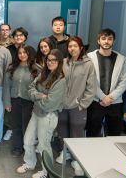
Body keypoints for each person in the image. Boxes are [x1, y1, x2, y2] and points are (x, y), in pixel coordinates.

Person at [16, 49, 66, 178]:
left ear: (59, 62)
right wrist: (40, 96)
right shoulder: (43, 73)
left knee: (44, 145)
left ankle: (46, 171)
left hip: (48, 116)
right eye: (48, 60)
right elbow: (31, 88)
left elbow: (49, 104)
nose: (50, 62)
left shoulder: (61, 80)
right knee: (27, 141)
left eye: (53, 60)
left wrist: (36, 100)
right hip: (36, 114)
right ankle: (30, 163)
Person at [55, 36, 97, 176]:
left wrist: (82, 104)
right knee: (62, 130)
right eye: (70, 46)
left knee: (76, 132)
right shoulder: (64, 62)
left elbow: (91, 88)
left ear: (81, 48)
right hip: (62, 105)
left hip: (77, 106)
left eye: (75, 46)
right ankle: (64, 152)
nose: (72, 48)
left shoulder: (88, 64)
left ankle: (76, 160)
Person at [87, 28, 126, 137]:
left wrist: (110, 98)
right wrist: (102, 97)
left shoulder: (121, 59)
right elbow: (89, 80)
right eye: (103, 38)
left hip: (115, 102)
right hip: (95, 101)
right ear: (98, 41)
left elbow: (124, 81)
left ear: (113, 41)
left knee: (114, 135)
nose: (106, 41)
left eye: (110, 39)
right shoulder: (89, 57)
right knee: (92, 133)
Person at [3, 45, 36, 157]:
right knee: (16, 126)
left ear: (29, 54)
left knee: (27, 127)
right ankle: (17, 147)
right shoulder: (12, 68)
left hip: (29, 103)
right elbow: (6, 86)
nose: (22, 55)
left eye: (24, 53)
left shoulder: (36, 69)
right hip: (15, 101)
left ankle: (28, 149)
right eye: (20, 53)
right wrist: (7, 102)